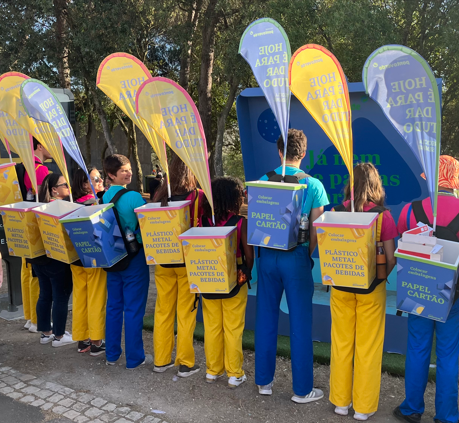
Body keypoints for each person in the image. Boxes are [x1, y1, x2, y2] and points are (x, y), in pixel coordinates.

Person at [255, 128, 329, 403]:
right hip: (296, 257)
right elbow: (316, 231)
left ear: (279, 151)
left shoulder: (263, 180)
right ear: (304, 153)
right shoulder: (314, 186)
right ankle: (302, 390)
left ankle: (263, 382)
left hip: (267, 257)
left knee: (265, 319)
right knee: (300, 323)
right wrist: (304, 254)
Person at [393, 155, 459, 423]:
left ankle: (411, 409)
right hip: (453, 296)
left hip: (418, 292)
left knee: (418, 349)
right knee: (448, 354)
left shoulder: (409, 211)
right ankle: (447, 415)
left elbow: (400, 250)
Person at [329, 163, 397, 421]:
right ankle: (363, 407)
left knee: (341, 343)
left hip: (340, 287)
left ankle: (340, 402)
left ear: (350, 184)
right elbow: (390, 259)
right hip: (371, 290)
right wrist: (380, 279)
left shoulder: (335, 211)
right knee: (368, 346)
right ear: (375, 184)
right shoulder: (383, 216)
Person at [152, 154, 205, 377]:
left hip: (163, 261)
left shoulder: (159, 195)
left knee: (163, 311)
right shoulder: (199, 197)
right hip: (187, 263)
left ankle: (161, 360)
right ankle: (185, 363)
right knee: (186, 313)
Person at [199, 177, 254, 388]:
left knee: (212, 326)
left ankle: (212, 371)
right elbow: (249, 255)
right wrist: (246, 272)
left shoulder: (202, 221)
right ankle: (234, 373)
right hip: (234, 279)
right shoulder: (241, 222)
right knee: (233, 327)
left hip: (208, 278)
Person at [103, 154, 151, 369]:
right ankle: (134, 358)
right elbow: (147, 224)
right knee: (133, 308)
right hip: (134, 256)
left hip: (112, 256)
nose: (129, 173)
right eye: (123, 170)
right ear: (111, 174)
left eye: (129, 168)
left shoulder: (103, 197)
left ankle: (111, 354)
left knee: (113, 306)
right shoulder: (133, 197)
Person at [33, 173, 75, 347]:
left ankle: (45, 333)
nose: (68, 187)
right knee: (60, 296)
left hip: (39, 258)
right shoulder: (62, 208)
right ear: (54, 190)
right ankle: (58, 336)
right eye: (65, 184)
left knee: (45, 295)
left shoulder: (38, 207)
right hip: (57, 259)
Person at [70, 168, 107, 356]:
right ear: (85, 185)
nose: (101, 180)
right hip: (93, 257)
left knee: (79, 298)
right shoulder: (94, 204)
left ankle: (81, 338)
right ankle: (96, 341)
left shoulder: (70, 204)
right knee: (96, 298)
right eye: (96, 179)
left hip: (75, 258)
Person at [21, 137, 51, 333]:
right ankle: (35, 320)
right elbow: (46, 201)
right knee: (36, 274)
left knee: (27, 270)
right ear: (39, 146)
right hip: (36, 226)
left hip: (24, 224)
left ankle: (30, 316)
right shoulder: (40, 170)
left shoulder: (24, 166)